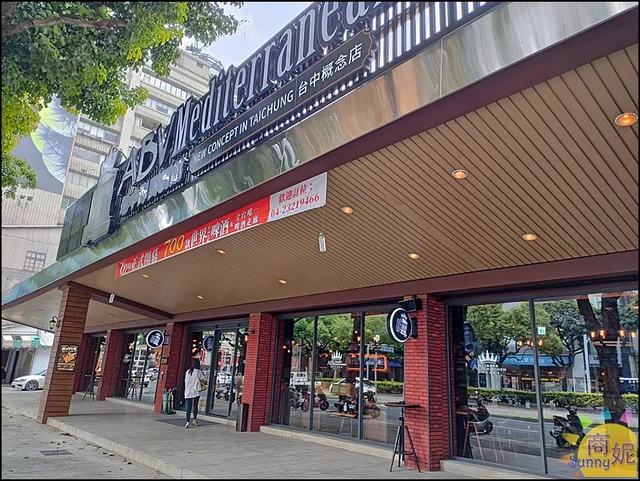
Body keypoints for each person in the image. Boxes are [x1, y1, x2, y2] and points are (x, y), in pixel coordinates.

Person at [184, 358, 204, 428]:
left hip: (188, 391)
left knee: (188, 407)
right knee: (195, 406)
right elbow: (203, 380)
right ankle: (194, 419)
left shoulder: (188, 372)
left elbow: (186, 381)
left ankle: (187, 421)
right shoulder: (198, 372)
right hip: (196, 391)